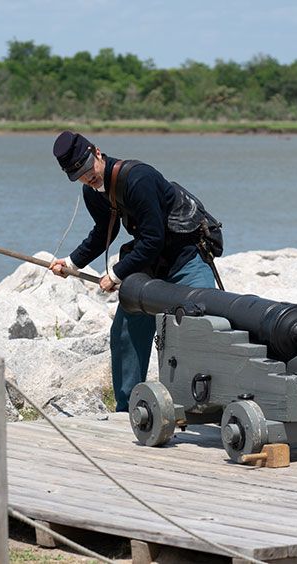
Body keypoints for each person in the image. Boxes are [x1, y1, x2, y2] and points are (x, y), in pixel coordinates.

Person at [46, 131, 222, 411]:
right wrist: (71, 263)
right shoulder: (92, 192)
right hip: (149, 265)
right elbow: (104, 231)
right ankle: (129, 407)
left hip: (185, 259)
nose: (87, 177)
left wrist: (116, 275)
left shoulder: (139, 178)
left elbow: (153, 238)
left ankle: (210, 403)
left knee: (207, 326)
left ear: (98, 153)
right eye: (78, 174)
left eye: (87, 167)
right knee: (126, 329)